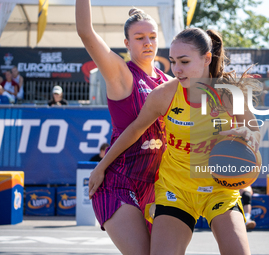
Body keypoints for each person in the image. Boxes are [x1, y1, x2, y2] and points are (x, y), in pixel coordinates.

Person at [91, 28, 262, 255]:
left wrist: (249, 137)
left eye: (184, 61)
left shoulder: (229, 94)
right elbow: (133, 131)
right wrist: (101, 167)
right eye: (172, 62)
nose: (177, 69)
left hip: (219, 189)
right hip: (176, 189)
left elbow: (254, 132)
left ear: (206, 59)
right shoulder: (165, 94)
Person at [76, 1, 170, 254]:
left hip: (157, 185)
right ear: (127, 44)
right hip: (118, 180)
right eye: (139, 38)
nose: (148, 42)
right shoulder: (122, 74)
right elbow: (85, 31)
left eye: (152, 36)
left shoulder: (169, 82)